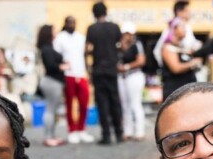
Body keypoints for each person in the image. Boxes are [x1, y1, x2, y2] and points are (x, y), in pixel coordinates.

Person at [86, 1, 124, 145]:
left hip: (98, 71)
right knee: (115, 101)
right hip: (112, 70)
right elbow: (120, 46)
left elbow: (87, 49)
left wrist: (89, 69)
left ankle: (106, 135)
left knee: (102, 103)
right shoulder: (114, 27)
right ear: (106, 12)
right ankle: (119, 133)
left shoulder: (92, 29)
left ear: (94, 14)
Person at [54, 16, 95, 144]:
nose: (72, 24)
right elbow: (56, 55)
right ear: (65, 24)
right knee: (70, 103)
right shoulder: (60, 38)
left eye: (74, 22)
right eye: (69, 23)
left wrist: (88, 72)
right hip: (68, 74)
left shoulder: (81, 37)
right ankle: (72, 130)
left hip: (81, 73)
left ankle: (81, 129)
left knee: (84, 103)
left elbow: (85, 55)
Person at [36, 24, 69, 147]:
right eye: (54, 30)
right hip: (51, 81)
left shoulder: (49, 47)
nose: (56, 32)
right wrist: (63, 66)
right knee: (50, 110)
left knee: (53, 110)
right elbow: (51, 66)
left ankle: (51, 135)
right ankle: (47, 137)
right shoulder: (47, 48)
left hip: (54, 82)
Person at [117, 22, 146, 141]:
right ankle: (127, 130)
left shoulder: (136, 45)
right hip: (122, 77)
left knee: (135, 103)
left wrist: (126, 67)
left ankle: (139, 131)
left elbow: (141, 61)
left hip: (134, 76)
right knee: (125, 105)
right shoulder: (118, 46)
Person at [160, 18, 202, 101]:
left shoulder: (182, 48)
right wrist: (193, 63)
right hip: (175, 90)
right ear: (174, 29)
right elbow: (176, 68)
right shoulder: (168, 48)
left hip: (188, 90)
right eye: (182, 27)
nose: (185, 29)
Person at [153, 1, 201, 68]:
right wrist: (166, 67)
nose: (190, 13)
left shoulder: (187, 27)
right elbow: (157, 50)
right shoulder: (171, 29)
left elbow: (193, 45)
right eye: (187, 11)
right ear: (179, 12)